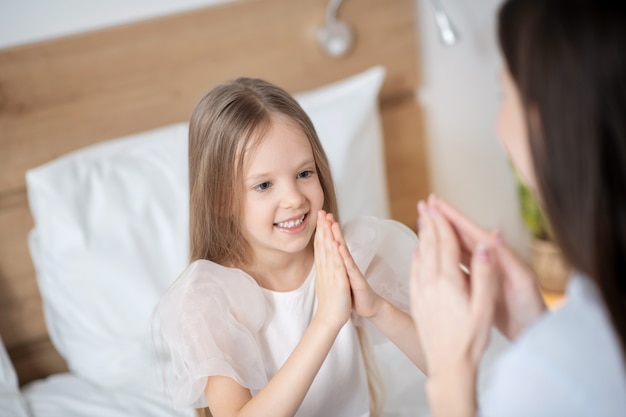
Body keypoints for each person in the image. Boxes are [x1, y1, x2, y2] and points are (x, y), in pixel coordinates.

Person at [155, 77, 425, 417]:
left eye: (304, 173)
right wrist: (326, 321)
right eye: (264, 184)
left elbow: (449, 365)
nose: (294, 198)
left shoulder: (349, 255)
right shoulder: (209, 300)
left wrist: (377, 308)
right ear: (222, 200)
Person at [409, 0, 626, 416]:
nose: (498, 122)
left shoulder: (541, 376)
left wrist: (451, 374)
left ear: (547, 124)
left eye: (502, 93)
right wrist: (540, 328)